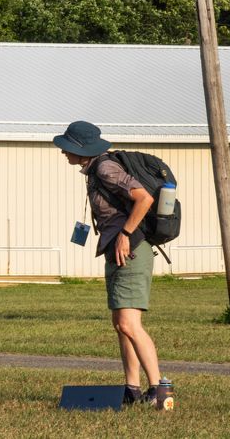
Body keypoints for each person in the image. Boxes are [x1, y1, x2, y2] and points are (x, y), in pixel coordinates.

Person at [54, 120, 165, 405]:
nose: (64, 153)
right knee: (120, 323)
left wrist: (126, 233)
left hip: (131, 251)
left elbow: (144, 198)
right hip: (116, 251)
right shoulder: (94, 171)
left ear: (81, 148)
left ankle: (159, 389)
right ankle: (132, 388)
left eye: (67, 148)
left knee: (129, 323)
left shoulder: (105, 168)